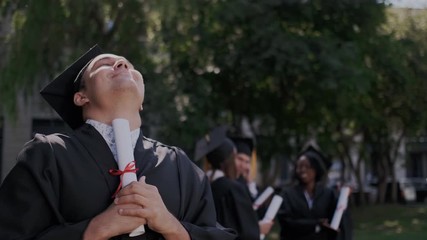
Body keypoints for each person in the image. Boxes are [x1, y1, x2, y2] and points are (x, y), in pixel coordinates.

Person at [0, 45, 237, 240]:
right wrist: (94, 230)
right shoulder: (48, 155)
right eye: (104, 64)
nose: (122, 65)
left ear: (142, 100)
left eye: (130, 66)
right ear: (81, 97)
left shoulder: (179, 166)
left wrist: (173, 227)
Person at [194, 126, 273, 240]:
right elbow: (246, 233)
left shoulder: (203, 185)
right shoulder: (233, 189)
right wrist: (258, 229)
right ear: (229, 160)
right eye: (236, 157)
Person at [277, 145, 343, 240]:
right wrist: (316, 224)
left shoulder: (328, 194)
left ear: (316, 169)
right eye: (299, 166)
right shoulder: (287, 194)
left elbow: (335, 221)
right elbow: (286, 222)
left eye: (307, 166)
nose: (303, 170)